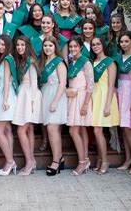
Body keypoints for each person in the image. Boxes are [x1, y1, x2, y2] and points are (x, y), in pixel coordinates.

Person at [12, 35, 43, 176]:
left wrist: (31, 103)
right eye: (18, 45)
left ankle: (29, 162)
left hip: (30, 96)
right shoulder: (21, 61)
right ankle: (33, 160)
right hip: (23, 94)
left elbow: (34, 83)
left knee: (21, 130)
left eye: (22, 45)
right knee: (29, 129)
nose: (20, 47)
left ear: (28, 46)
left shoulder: (30, 61)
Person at [90, 36, 120, 175]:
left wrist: (108, 105)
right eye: (93, 44)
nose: (96, 46)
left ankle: (105, 161)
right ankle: (100, 160)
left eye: (98, 44)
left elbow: (111, 85)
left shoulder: (109, 62)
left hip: (105, 97)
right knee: (96, 132)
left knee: (98, 131)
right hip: (94, 96)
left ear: (103, 45)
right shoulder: (93, 62)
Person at [39, 36, 68, 176]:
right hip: (46, 94)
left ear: (55, 46)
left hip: (56, 95)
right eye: (45, 46)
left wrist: (55, 101)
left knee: (52, 128)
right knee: (52, 129)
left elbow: (63, 83)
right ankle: (60, 157)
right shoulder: (44, 61)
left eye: (50, 45)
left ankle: (56, 161)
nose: (47, 48)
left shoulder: (59, 62)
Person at [66, 36, 94, 176]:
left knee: (73, 130)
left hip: (82, 97)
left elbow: (90, 85)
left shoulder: (85, 62)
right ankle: (86, 159)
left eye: (75, 46)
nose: (73, 49)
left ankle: (82, 162)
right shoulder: (72, 61)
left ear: (81, 47)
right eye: (71, 47)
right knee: (81, 130)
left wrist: (85, 104)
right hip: (73, 97)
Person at [115, 31, 131, 174]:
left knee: (129, 128)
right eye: (121, 42)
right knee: (123, 128)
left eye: (126, 41)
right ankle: (128, 158)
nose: (124, 44)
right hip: (120, 92)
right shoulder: (119, 58)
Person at [0, 34, 18, 176]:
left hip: (5, 95)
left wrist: (5, 99)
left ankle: (10, 161)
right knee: (7, 129)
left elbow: (7, 81)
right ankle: (10, 160)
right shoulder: (4, 58)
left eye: (3, 44)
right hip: (2, 93)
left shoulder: (7, 59)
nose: (0, 47)